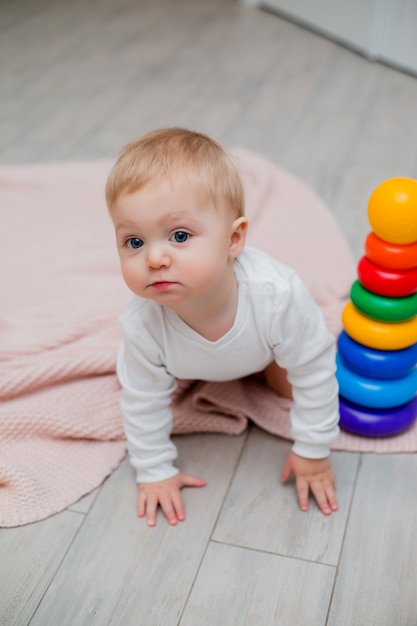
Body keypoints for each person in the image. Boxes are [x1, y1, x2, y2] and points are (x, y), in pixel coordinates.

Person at [106, 127, 340, 527]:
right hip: (185, 365)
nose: (155, 257)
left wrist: (314, 452)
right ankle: (196, 370)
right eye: (133, 242)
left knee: (294, 379)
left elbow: (315, 372)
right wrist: (154, 470)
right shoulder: (143, 323)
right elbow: (141, 399)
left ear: (234, 240)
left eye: (179, 235)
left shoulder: (276, 296)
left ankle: (264, 368)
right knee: (151, 380)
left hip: (265, 349)